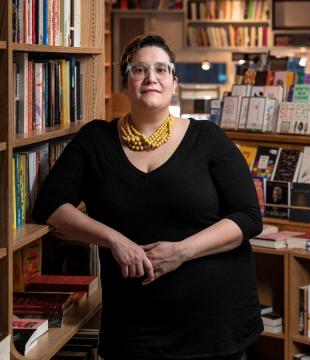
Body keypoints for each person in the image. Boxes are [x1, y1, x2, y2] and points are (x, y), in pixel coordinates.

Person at [32, 34, 263, 360]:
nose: (151, 77)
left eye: (161, 69)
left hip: (215, 325)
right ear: (125, 82)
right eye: (139, 69)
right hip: (133, 326)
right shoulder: (95, 141)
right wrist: (114, 240)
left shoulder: (209, 139)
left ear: (174, 82)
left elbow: (249, 217)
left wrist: (183, 251)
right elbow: (50, 204)